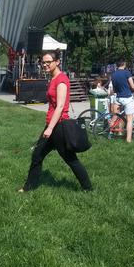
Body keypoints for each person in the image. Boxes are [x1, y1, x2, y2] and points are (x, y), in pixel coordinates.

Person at [19, 50, 92, 193]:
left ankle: (88, 188)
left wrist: (50, 128)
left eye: (48, 62)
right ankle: (29, 187)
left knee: (70, 159)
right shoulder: (52, 79)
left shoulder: (61, 79)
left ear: (57, 62)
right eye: (43, 62)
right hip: (52, 124)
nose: (44, 64)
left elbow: (59, 106)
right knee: (37, 156)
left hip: (58, 126)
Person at [111, 58, 134, 143]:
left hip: (118, 98)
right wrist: (132, 87)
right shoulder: (126, 73)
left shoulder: (113, 74)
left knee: (115, 117)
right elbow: (133, 86)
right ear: (124, 64)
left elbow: (114, 89)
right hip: (127, 98)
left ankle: (109, 132)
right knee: (129, 119)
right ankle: (128, 139)